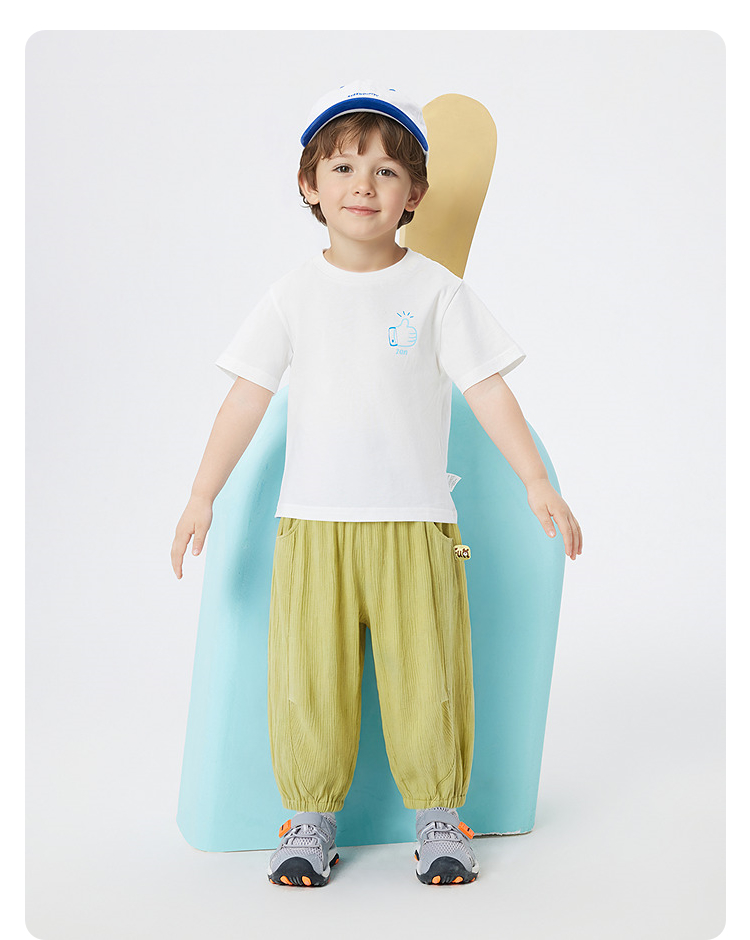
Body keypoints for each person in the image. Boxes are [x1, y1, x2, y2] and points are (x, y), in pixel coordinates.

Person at [171, 79, 583, 888]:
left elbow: (487, 389)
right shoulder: (292, 294)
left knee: (428, 676)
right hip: (313, 527)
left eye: (387, 171)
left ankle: (439, 818)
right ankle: (308, 821)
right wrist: (200, 494)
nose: (363, 185)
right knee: (308, 680)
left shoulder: (436, 292)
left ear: (415, 194)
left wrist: (536, 480)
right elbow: (245, 397)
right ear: (310, 185)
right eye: (343, 166)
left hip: (416, 524)